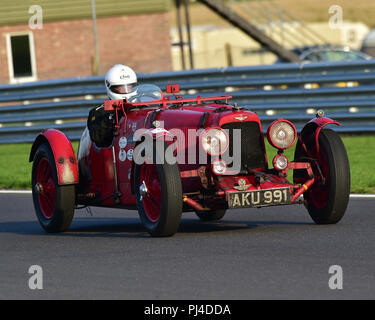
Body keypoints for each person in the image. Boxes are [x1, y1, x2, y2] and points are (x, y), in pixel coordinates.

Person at [88, 64, 137, 147]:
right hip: (113, 156)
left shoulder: (141, 107)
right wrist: (111, 120)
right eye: (121, 88)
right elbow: (98, 138)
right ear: (110, 87)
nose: (126, 91)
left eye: (130, 87)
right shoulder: (99, 112)